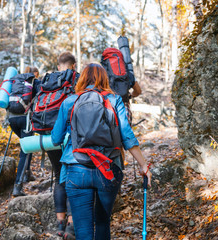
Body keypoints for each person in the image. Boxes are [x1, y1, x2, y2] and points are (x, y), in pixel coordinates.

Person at [51, 63, 152, 239]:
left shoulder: (69, 101)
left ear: (81, 79)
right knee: (103, 222)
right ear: (105, 79)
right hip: (108, 168)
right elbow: (127, 136)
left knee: (83, 230)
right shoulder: (114, 100)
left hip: (76, 168)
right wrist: (143, 165)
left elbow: (55, 139)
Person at [41, 52, 78, 239]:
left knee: (58, 175)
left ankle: (59, 223)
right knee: (72, 176)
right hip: (70, 136)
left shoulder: (47, 80)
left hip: (49, 135)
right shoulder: (75, 79)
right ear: (73, 65)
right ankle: (71, 226)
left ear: (58, 66)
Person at [8, 66, 41, 196]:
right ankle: (18, 186)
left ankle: (28, 174)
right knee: (25, 151)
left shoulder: (15, 81)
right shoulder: (35, 81)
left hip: (11, 119)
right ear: (35, 74)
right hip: (25, 119)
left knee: (28, 144)